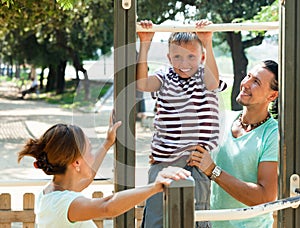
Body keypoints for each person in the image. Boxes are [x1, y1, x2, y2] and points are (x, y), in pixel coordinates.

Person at [17, 116, 191, 227]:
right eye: (90, 151)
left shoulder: (50, 194)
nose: (92, 157)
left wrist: (108, 143)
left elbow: (87, 178)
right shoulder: (65, 205)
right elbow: (108, 207)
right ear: (76, 163)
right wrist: (155, 187)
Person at [137, 20, 226, 227]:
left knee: (197, 214)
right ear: (169, 58)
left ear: (202, 57)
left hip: (197, 160)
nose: (184, 62)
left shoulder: (205, 77)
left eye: (191, 56)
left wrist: (208, 42)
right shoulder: (165, 76)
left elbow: (213, 84)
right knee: (156, 214)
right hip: (164, 159)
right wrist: (145, 45)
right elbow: (142, 84)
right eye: (177, 56)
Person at [187, 60, 279, 227]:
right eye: (248, 76)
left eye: (256, 81)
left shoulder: (273, 134)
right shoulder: (223, 119)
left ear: (272, 96)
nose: (245, 83)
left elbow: (265, 197)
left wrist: (213, 171)